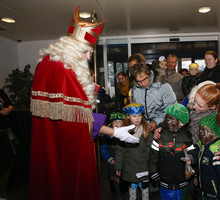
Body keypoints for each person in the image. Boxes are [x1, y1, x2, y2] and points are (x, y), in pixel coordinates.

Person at [30, 7, 139, 200]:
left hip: (53, 144)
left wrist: (91, 88)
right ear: (75, 48)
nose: (88, 57)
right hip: (69, 150)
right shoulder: (62, 69)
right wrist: (113, 132)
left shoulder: (50, 62)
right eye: (86, 51)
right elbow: (77, 122)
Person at [149, 103, 197, 200]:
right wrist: (153, 172)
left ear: (182, 122)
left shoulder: (186, 136)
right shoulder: (160, 136)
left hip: (182, 180)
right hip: (164, 179)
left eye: (172, 119)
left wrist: (191, 157)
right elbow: (153, 156)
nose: (168, 122)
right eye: (167, 118)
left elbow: (192, 151)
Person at [115, 103, 152, 200]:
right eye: (134, 116)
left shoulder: (146, 130)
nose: (137, 118)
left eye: (140, 115)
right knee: (132, 187)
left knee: (144, 187)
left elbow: (150, 147)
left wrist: (149, 163)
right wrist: (118, 166)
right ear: (128, 116)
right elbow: (120, 150)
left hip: (143, 165)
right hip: (130, 166)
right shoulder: (123, 132)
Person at [131, 63, 177, 132]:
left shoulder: (164, 87)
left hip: (163, 127)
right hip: (144, 127)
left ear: (150, 74)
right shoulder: (135, 90)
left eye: (145, 79)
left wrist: (156, 122)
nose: (143, 84)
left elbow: (171, 109)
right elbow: (137, 111)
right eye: (139, 81)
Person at [194, 113, 220, 200]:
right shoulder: (200, 147)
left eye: (208, 131)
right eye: (201, 130)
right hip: (202, 191)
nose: (203, 134)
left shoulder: (217, 153)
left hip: (214, 195)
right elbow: (199, 165)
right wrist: (196, 176)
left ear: (215, 134)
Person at [99, 112, 128, 200]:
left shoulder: (126, 133)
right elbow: (103, 148)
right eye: (115, 121)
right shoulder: (107, 134)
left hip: (123, 162)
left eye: (120, 121)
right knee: (112, 179)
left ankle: (124, 194)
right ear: (112, 123)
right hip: (112, 161)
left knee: (123, 181)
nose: (117, 124)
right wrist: (109, 158)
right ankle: (114, 194)